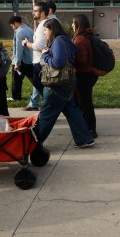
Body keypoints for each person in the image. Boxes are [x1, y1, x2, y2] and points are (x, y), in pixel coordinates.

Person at [34, 18, 95, 148]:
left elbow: (58, 63)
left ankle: (33, 142)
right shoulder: (67, 40)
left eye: (45, 29)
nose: (44, 32)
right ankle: (84, 139)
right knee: (72, 110)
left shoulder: (58, 42)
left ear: (52, 29)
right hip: (68, 82)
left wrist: (45, 55)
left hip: (56, 84)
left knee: (47, 114)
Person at [71, 14, 99, 138]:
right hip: (90, 73)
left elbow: (81, 60)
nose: (72, 25)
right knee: (85, 101)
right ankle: (88, 127)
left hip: (83, 74)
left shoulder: (80, 39)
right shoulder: (89, 35)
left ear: (78, 25)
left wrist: (70, 60)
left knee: (84, 103)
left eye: (73, 23)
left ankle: (90, 128)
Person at [21, 2, 50, 111]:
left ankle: (50, 108)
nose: (32, 13)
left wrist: (26, 43)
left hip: (40, 61)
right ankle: (45, 106)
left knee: (40, 86)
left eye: (35, 11)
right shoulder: (44, 24)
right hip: (42, 60)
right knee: (41, 87)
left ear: (42, 13)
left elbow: (39, 45)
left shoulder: (43, 24)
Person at [8, 15, 34, 101]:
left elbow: (18, 49)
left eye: (12, 26)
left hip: (21, 60)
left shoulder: (19, 32)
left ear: (15, 23)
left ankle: (15, 97)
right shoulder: (29, 29)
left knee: (16, 80)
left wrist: (17, 63)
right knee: (34, 79)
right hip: (30, 59)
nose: (12, 28)